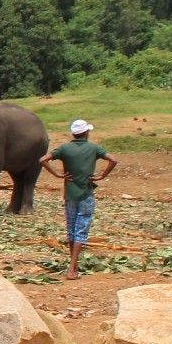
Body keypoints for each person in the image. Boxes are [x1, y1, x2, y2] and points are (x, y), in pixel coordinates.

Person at [40, 118, 116, 279]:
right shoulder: (93, 148)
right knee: (81, 231)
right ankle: (72, 269)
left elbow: (43, 160)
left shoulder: (64, 148)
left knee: (72, 230)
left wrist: (56, 174)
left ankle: (73, 265)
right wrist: (102, 175)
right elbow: (113, 160)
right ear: (86, 133)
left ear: (74, 134)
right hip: (86, 194)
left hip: (70, 195)